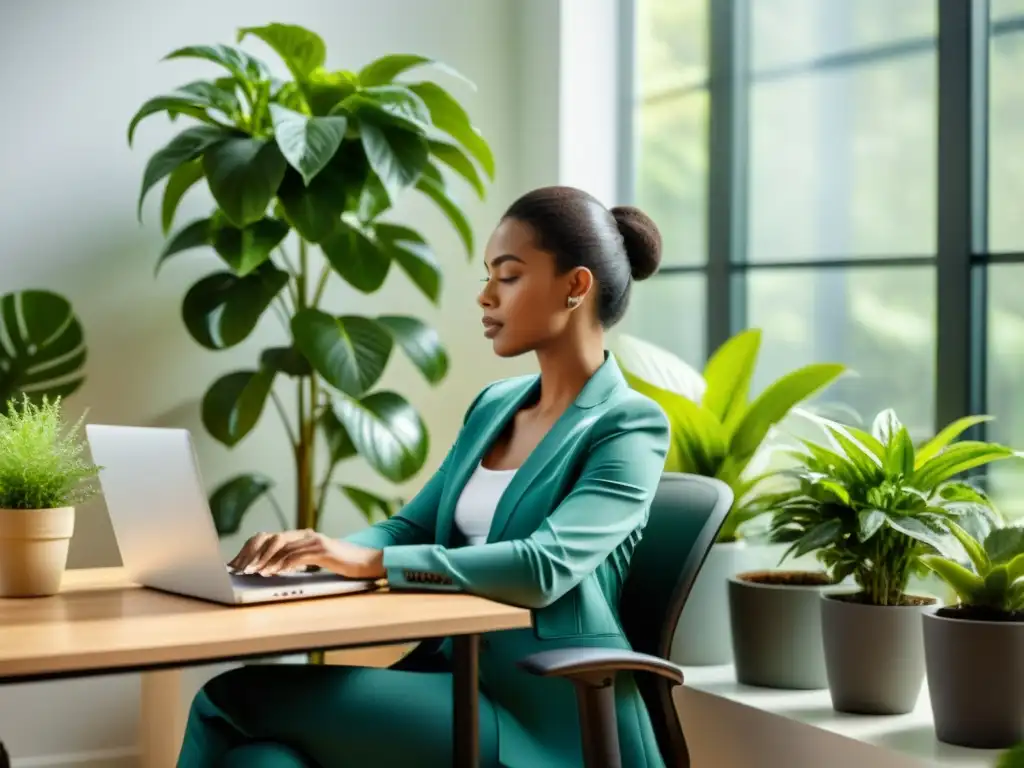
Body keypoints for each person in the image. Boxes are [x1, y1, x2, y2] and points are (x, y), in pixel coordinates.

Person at [177, 186, 670, 768]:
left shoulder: (629, 425)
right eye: (487, 275)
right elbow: (411, 527)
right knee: (259, 763)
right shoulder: (495, 405)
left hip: (543, 708)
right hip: (447, 673)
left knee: (224, 697)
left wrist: (374, 565)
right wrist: (320, 556)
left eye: (507, 277)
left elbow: (545, 568)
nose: (485, 296)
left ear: (575, 286)